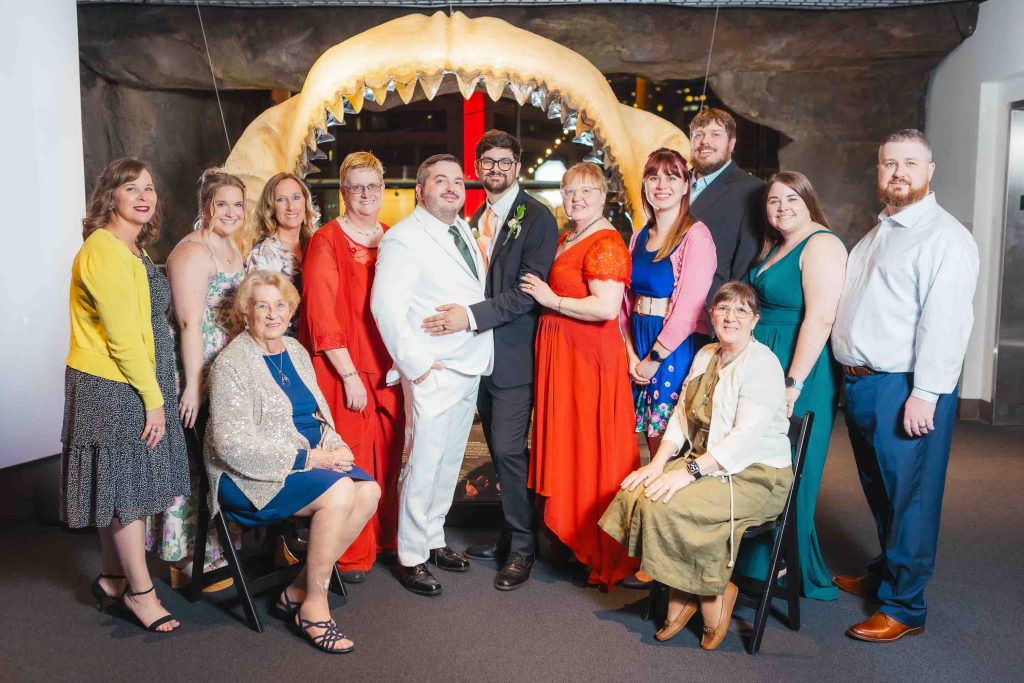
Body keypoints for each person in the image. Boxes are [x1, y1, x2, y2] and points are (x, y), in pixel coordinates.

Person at [831, 129, 979, 642]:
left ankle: (905, 606)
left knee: (911, 498)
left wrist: (927, 393)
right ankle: (885, 570)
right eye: (888, 163)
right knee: (882, 492)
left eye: (909, 163)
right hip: (863, 384)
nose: (898, 172)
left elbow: (947, 322)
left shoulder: (945, 237)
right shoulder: (879, 232)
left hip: (905, 387)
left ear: (929, 171)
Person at [600, 281, 795, 650]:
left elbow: (742, 442)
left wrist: (686, 475)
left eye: (741, 311)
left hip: (755, 475)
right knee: (636, 492)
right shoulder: (707, 353)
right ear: (711, 315)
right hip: (705, 461)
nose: (730, 317)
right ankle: (688, 586)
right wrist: (658, 464)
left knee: (669, 504)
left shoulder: (763, 365)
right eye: (723, 308)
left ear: (755, 320)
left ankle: (708, 594)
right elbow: (681, 417)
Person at [205, 270, 380, 654]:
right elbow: (230, 445)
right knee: (339, 493)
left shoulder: (295, 351)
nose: (272, 314)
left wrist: (336, 446)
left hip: (307, 459)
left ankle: (299, 586)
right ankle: (314, 608)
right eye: (262, 305)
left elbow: (315, 416)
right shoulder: (232, 364)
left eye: (280, 305)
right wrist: (309, 457)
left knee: (368, 491)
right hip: (249, 476)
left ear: (291, 310)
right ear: (245, 312)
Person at [421, 130, 558, 590]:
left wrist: (468, 318)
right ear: (477, 169)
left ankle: (523, 549)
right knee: (498, 455)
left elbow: (525, 295)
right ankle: (506, 535)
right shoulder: (475, 216)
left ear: (518, 166)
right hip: (476, 358)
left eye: (504, 161)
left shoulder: (537, 219)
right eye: (487, 162)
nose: (495, 169)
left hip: (513, 358)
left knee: (507, 451)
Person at [63, 158, 189, 632]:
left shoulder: (130, 248)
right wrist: (153, 398)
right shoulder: (103, 248)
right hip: (114, 383)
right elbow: (121, 337)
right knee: (126, 490)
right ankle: (141, 594)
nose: (143, 196)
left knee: (115, 482)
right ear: (109, 196)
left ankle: (114, 579)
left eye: (150, 188)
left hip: (134, 378)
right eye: (130, 187)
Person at [370, 154, 493, 596]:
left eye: (458, 181)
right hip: (433, 368)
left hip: (469, 361)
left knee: (447, 462)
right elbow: (384, 308)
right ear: (421, 189)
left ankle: (434, 539)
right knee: (422, 463)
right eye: (440, 180)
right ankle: (409, 555)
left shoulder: (463, 229)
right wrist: (417, 367)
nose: (451, 188)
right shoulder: (403, 238)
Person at [520, 161, 639, 590]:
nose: (576, 199)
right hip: (563, 350)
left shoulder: (606, 241)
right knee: (570, 438)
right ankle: (570, 534)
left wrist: (551, 300)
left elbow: (606, 308)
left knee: (589, 441)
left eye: (586, 191)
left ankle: (598, 545)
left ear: (603, 195)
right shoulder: (570, 234)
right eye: (569, 191)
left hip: (587, 356)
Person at [731, 171, 848, 601]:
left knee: (792, 466)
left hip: (800, 368)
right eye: (773, 201)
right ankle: (753, 560)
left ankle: (784, 565)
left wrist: (793, 383)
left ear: (808, 200)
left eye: (790, 199)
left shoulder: (822, 244)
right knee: (758, 461)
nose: (781, 208)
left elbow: (820, 318)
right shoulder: (776, 245)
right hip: (766, 361)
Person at [300, 152, 404, 584]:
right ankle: (349, 554)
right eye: (356, 186)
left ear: (383, 190)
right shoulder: (326, 240)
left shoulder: (393, 238)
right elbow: (321, 317)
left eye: (373, 186)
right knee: (353, 457)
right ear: (343, 192)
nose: (366, 194)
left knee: (392, 453)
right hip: (343, 366)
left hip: (387, 366)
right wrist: (346, 375)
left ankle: (387, 540)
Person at [149, 168, 247, 588]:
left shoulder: (231, 247)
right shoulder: (191, 252)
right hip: (195, 365)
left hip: (226, 367)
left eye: (237, 205)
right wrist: (192, 386)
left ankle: (219, 547)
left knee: (219, 460)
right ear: (205, 207)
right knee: (192, 463)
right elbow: (189, 324)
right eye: (221, 204)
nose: (230, 212)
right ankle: (185, 558)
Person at [688, 108, 765, 303]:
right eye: (699, 134)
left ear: (731, 143)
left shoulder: (752, 190)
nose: (705, 141)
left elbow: (745, 266)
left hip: (708, 312)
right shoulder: (672, 184)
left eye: (716, 134)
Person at [245, 172, 320, 336]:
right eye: (281, 200)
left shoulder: (316, 245)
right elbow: (255, 315)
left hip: (313, 340)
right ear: (270, 208)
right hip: (281, 344)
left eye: (296, 197)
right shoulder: (262, 254)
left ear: (305, 201)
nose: (291, 206)